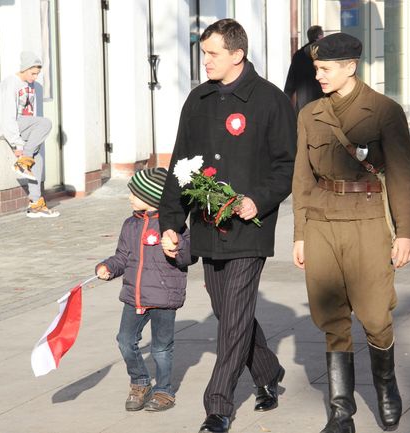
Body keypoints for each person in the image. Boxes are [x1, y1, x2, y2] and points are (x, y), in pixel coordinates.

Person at [158, 18, 296, 433]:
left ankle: (217, 406)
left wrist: (260, 199)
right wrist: (170, 222)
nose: (205, 61)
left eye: (212, 53)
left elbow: (286, 166)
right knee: (227, 312)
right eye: (203, 53)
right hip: (206, 228)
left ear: (237, 54)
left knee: (234, 315)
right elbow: (179, 166)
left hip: (248, 228)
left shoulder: (269, 100)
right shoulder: (197, 100)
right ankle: (268, 371)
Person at [292, 33, 410, 433]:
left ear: (351, 66)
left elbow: (402, 175)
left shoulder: (383, 111)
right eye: (316, 69)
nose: (319, 76)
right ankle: (341, 412)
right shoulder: (309, 114)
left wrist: (406, 232)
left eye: (325, 69)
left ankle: (385, 386)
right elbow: (302, 178)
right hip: (323, 223)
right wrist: (300, 233)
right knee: (332, 318)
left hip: (368, 222)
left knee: (376, 314)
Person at [96, 168, 193, 413]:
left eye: (135, 193)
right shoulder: (130, 224)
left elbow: (188, 256)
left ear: (152, 196)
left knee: (161, 348)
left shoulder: (173, 225)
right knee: (125, 341)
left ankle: (164, 390)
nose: (130, 197)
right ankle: (140, 382)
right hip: (135, 296)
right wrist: (108, 267)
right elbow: (122, 256)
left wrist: (177, 245)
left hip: (163, 297)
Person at [0, 51, 58, 217]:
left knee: (37, 157)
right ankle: (23, 162)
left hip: (20, 127)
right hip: (4, 127)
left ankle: (35, 203)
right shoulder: (10, 84)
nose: (35, 77)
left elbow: (28, 116)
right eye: (33, 73)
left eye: (37, 74)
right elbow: (7, 118)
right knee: (45, 123)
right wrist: (17, 144)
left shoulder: (29, 86)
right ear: (24, 69)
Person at [284, 25, 325, 113]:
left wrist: (285, 102)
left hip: (303, 104)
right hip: (321, 101)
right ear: (320, 36)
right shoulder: (324, 53)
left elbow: (290, 83)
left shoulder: (298, 54)